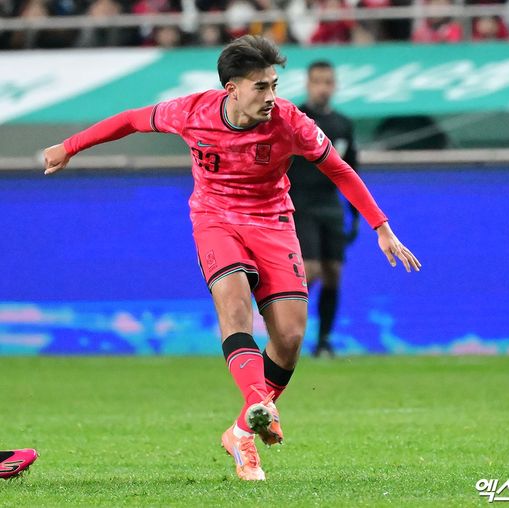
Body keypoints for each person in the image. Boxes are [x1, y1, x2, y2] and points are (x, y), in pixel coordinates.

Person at [42, 35, 421, 481]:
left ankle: (242, 429)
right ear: (232, 89)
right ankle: (259, 405)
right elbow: (130, 120)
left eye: (274, 84)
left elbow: (338, 167)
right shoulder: (192, 112)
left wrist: (381, 227)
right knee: (235, 306)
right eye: (261, 86)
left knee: (290, 337)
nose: (271, 96)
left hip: (273, 222)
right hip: (216, 220)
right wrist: (69, 147)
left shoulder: (290, 121)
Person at [288, 60, 358, 358]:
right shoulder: (294, 119)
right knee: (311, 268)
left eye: (328, 82)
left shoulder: (343, 124)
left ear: (335, 85)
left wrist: (355, 214)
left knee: (333, 272)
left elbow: (351, 170)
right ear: (307, 84)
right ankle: (285, 326)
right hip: (300, 203)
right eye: (317, 81)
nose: (323, 88)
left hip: (330, 204)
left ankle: (324, 341)